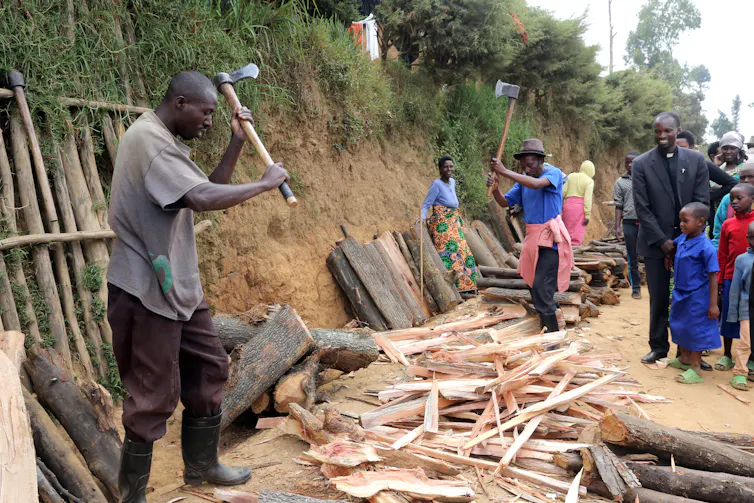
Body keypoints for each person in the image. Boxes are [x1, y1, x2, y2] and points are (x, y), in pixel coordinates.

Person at [107, 70, 289, 501]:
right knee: (152, 394)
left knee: (210, 366)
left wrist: (237, 141)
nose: (209, 121)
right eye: (206, 113)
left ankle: (202, 467)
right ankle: (132, 495)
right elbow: (203, 199)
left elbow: (207, 188)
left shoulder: (166, 141)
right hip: (146, 289)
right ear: (181, 103)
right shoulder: (149, 143)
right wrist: (264, 184)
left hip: (178, 285)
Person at [632, 112, 710, 364]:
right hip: (656, 242)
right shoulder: (642, 163)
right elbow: (642, 208)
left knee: (690, 298)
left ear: (678, 130)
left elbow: (702, 201)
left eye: (667, 131)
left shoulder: (696, 160)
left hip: (691, 244)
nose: (662, 136)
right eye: (657, 131)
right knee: (658, 296)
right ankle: (658, 346)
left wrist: (683, 240)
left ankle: (688, 351)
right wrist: (665, 242)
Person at [486, 138, 574, 332]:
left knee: (542, 287)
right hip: (533, 239)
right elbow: (505, 203)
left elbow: (536, 184)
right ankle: (552, 324)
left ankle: (552, 337)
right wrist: (496, 188)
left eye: (530, 164)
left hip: (551, 241)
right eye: (523, 165)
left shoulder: (553, 174)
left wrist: (504, 171)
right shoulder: (523, 182)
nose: (526, 168)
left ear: (541, 160)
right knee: (534, 285)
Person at [668, 202, 720, 384]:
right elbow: (672, 247)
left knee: (695, 330)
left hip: (698, 296)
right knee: (680, 325)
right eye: (680, 220)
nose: (681, 224)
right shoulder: (683, 239)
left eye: (685, 221)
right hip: (680, 292)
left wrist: (713, 304)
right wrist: (668, 256)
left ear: (700, 222)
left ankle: (696, 367)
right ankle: (684, 358)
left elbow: (713, 277)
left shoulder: (707, 248)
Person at [420, 156, 478, 291]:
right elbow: (426, 204)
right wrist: (422, 218)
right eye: (445, 167)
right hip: (443, 225)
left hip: (454, 222)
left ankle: (467, 285)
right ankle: (452, 287)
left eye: (451, 166)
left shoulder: (452, 182)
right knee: (449, 251)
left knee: (464, 251)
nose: (449, 169)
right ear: (440, 169)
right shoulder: (436, 184)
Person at [716, 183, 754, 371]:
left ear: (752, 199)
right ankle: (726, 354)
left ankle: (750, 357)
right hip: (731, 276)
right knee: (728, 315)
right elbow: (722, 255)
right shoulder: (727, 224)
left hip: (751, 279)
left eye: (740, 198)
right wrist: (720, 280)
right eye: (732, 199)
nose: (735, 202)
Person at [726, 220, 754, 390]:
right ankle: (739, 372)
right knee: (745, 342)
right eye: (752, 238)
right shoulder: (742, 260)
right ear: (747, 238)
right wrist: (732, 313)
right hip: (746, 309)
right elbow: (735, 289)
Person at [676, 131, 736, 204]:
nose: (678, 151)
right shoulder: (672, 166)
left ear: (691, 147)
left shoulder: (702, 164)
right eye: (675, 148)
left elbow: (732, 184)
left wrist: (708, 196)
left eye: (682, 148)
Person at [613, 151, 642, 299]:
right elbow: (619, 206)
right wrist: (618, 227)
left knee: (650, 256)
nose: (630, 165)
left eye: (633, 162)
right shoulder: (620, 182)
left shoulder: (647, 179)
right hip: (629, 223)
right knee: (632, 256)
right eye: (627, 162)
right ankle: (636, 288)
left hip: (646, 224)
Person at [712, 162, 754, 248]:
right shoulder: (728, 199)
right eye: (742, 178)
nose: (746, 180)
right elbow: (718, 234)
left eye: (751, 177)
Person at [561, 160, 595, 246]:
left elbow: (562, 192)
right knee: (576, 233)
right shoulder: (589, 181)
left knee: (566, 230)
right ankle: (574, 252)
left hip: (567, 206)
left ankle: (564, 251)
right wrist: (587, 215)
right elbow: (587, 199)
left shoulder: (571, 176)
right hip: (579, 209)